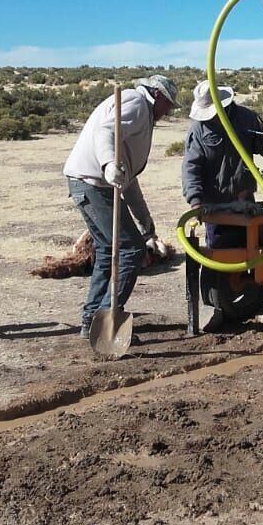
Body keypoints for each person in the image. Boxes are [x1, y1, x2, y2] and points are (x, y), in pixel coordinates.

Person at [64, 74, 178, 337]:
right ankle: (106, 322)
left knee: (107, 250)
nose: (168, 111)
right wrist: (108, 164)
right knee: (131, 249)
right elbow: (106, 131)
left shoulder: (138, 108)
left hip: (87, 182)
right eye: (168, 104)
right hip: (93, 182)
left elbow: (128, 180)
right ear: (158, 95)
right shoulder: (137, 102)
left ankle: (91, 320)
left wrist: (144, 221)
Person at [182, 80, 263, 328]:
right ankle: (219, 306)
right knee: (219, 251)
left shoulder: (246, 119)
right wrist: (195, 200)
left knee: (250, 251)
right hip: (216, 207)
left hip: (243, 201)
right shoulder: (199, 130)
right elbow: (191, 167)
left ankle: (243, 301)